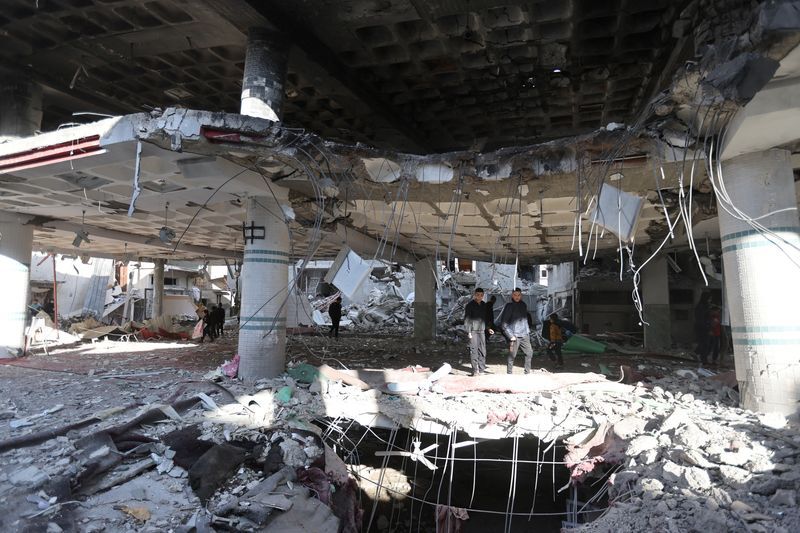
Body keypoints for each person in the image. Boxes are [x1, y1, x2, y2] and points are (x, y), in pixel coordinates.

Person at [498, 288, 534, 374]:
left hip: (525, 334)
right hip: (514, 334)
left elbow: (525, 319)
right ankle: (509, 373)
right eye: (515, 295)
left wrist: (527, 330)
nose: (517, 297)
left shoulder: (523, 305)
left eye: (519, 295)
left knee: (529, 353)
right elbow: (503, 323)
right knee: (512, 355)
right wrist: (510, 335)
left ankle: (527, 372)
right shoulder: (509, 306)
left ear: (521, 296)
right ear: (512, 295)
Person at [464, 288, 493, 376]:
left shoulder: (484, 305)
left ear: (483, 295)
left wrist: (488, 328)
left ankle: (481, 370)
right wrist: (469, 332)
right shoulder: (470, 305)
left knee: (482, 350)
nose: (479, 297)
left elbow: (485, 318)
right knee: (474, 350)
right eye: (477, 295)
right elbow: (467, 319)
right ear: (474, 295)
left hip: (482, 330)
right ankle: (475, 370)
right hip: (473, 331)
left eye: (481, 295)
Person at [694, 293, 711, 362]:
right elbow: (701, 318)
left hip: (703, 327)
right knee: (704, 343)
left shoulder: (705, 306)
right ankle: (702, 358)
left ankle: (701, 357)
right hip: (702, 328)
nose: (710, 300)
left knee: (704, 343)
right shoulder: (701, 307)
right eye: (709, 299)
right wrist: (707, 327)